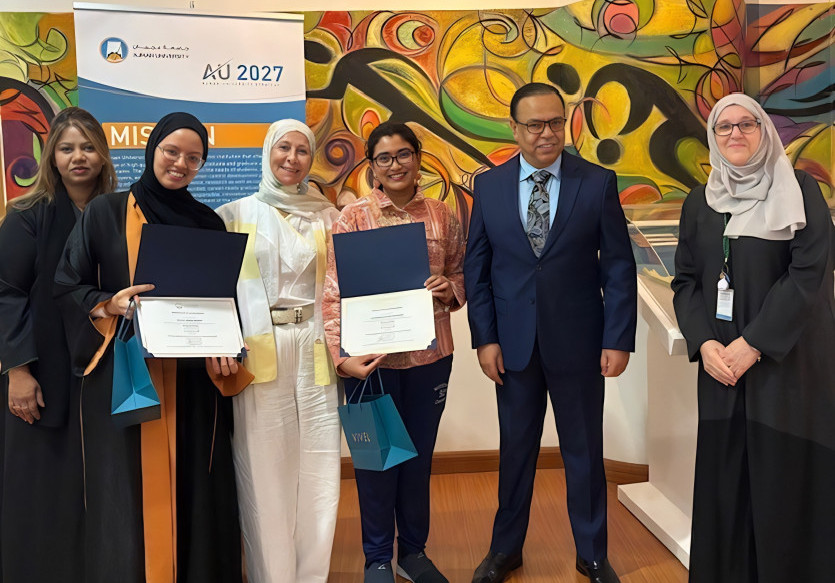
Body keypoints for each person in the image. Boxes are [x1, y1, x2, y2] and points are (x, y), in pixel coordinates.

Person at [54, 112, 250, 583]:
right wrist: (108, 304)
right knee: (126, 494)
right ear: (151, 149)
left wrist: (227, 345)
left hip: (192, 384)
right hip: (128, 377)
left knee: (195, 487)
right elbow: (66, 284)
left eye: (193, 158)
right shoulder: (105, 213)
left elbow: (222, 299)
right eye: (171, 151)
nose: (180, 164)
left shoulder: (208, 224)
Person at [463, 82, 636, 583]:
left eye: (556, 123)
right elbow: (478, 269)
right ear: (514, 129)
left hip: (580, 343)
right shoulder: (489, 187)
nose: (547, 134)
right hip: (513, 346)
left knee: (584, 452)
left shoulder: (596, 182)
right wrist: (485, 338)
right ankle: (505, 550)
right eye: (535, 124)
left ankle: (593, 554)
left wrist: (617, 339)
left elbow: (618, 267)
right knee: (516, 451)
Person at [671, 93, 835, 583]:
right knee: (727, 478)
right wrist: (704, 344)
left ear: (765, 131)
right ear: (713, 137)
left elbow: (809, 275)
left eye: (747, 124)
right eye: (725, 127)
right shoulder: (700, 201)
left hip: (788, 365)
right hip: (722, 366)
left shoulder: (800, 190)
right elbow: (685, 280)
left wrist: (754, 343)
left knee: (784, 474)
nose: (736, 134)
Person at [322, 121, 465, 583]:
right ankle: (378, 558)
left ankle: (414, 554)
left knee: (419, 460)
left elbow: (461, 273)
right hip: (371, 364)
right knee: (377, 462)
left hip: (430, 359)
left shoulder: (442, 215)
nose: (395, 165)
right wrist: (341, 357)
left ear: (418, 158)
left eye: (403, 154)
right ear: (372, 166)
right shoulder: (353, 218)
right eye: (383, 158)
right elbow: (333, 294)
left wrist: (449, 288)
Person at [216, 119, 341, 583]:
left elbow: (345, 287)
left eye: (302, 150)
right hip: (258, 348)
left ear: (312, 158)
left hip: (317, 346)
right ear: (267, 151)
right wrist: (221, 343)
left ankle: (312, 575)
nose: (292, 158)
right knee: (264, 468)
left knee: (320, 467)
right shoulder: (233, 215)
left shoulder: (329, 216)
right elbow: (216, 292)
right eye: (283, 148)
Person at [0, 107, 117, 582]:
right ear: (52, 156)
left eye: (88, 147)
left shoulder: (118, 213)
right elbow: (6, 292)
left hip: (101, 372)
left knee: (98, 489)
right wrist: (18, 370)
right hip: (42, 375)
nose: (78, 157)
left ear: (103, 155)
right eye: (67, 148)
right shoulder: (28, 215)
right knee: (42, 489)